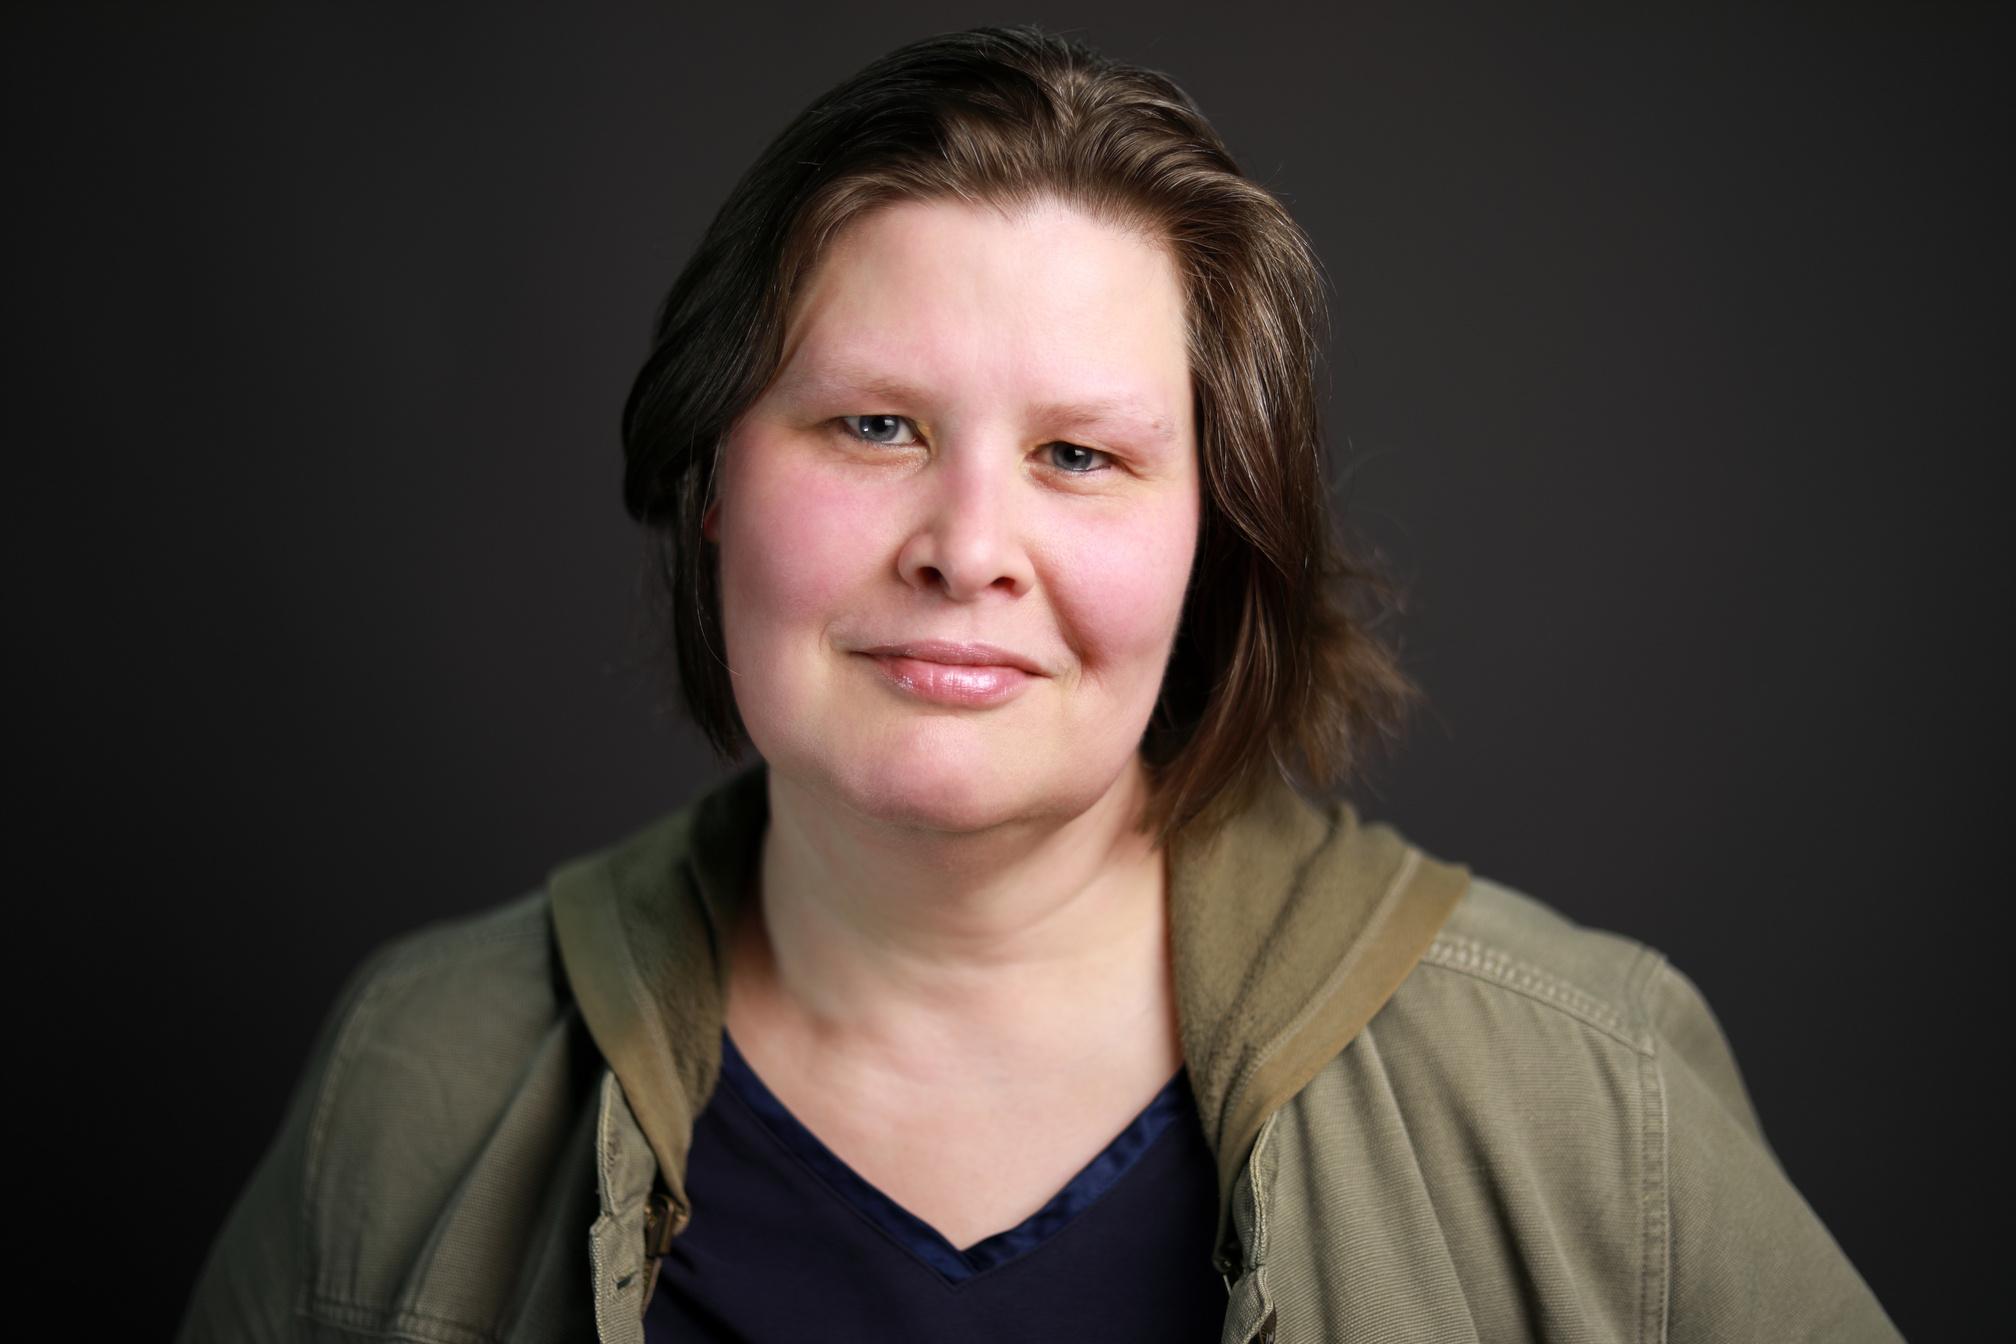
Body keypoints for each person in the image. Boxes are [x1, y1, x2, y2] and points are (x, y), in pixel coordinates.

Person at [178, 25, 1900, 1344]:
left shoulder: (1590, 1095)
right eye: (874, 426)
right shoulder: (422, 1080)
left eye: (1081, 455)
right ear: (711, 484)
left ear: (1217, 539)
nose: (968, 546)